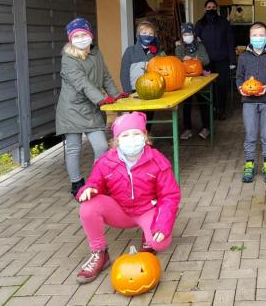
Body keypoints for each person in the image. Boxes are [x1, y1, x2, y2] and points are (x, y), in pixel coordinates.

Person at [74, 112, 181, 284]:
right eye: (125, 135)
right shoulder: (106, 161)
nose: (131, 139)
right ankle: (99, 253)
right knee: (88, 206)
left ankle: (149, 238)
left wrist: (163, 224)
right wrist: (89, 188)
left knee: (159, 243)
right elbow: (95, 182)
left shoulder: (157, 160)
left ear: (145, 136)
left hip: (146, 210)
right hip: (120, 211)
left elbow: (170, 195)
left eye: (136, 133)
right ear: (117, 140)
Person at [56, 17, 127, 197]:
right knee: (74, 148)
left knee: (101, 147)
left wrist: (116, 94)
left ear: (90, 35)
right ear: (70, 39)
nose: (80, 38)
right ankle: (76, 182)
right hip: (72, 109)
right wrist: (101, 99)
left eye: (83, 34)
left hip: (92, 108)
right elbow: (82, 82)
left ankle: (97, 180)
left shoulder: (96, 54)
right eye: (76, 35)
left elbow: (105, 76)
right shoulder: (68, 58)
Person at [235, 22, 266, 183]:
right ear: (249, 37)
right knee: (250, 135)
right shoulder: (243, 57)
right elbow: (239, 77)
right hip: (248, 101)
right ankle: (249, 164)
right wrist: (240, 87)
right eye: (254, 35)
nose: (258, 38)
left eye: (261, 35)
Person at [195, 0, 236, 121]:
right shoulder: (199, 24)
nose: (211, 9)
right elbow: (195, 43)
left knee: (222, 86)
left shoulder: (224, 23)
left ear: (216, 8)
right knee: (207, 87)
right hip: (205, 61)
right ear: (205, 8)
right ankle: (210, 110)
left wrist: (232, 60)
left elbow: (230, 41)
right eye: (208, 7)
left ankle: (221, 110)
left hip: (222, 60)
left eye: (213, 7)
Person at [175, 22, 211, 140]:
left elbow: (206, 60)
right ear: (181, 35)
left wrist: (194, 59)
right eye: (185, 34)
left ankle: (206, 128)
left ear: (193, 34)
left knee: (204, 102)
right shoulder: (179, 48)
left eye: (189, 33)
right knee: (187, 104)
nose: (187, 36)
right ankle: (187, 129)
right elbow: (175, 62)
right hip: (186, 81)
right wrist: (182, 59)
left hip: (200, 79)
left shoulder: (200, 46)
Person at [119, 19, 164, 93]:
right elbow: (124, 74)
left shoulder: (156, 53)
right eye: (144, 33)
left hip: (152, 89)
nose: (148, 36)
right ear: (138, 35)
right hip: (134, 90)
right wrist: (127, 92)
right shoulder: (130, 51)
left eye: (151, 34)